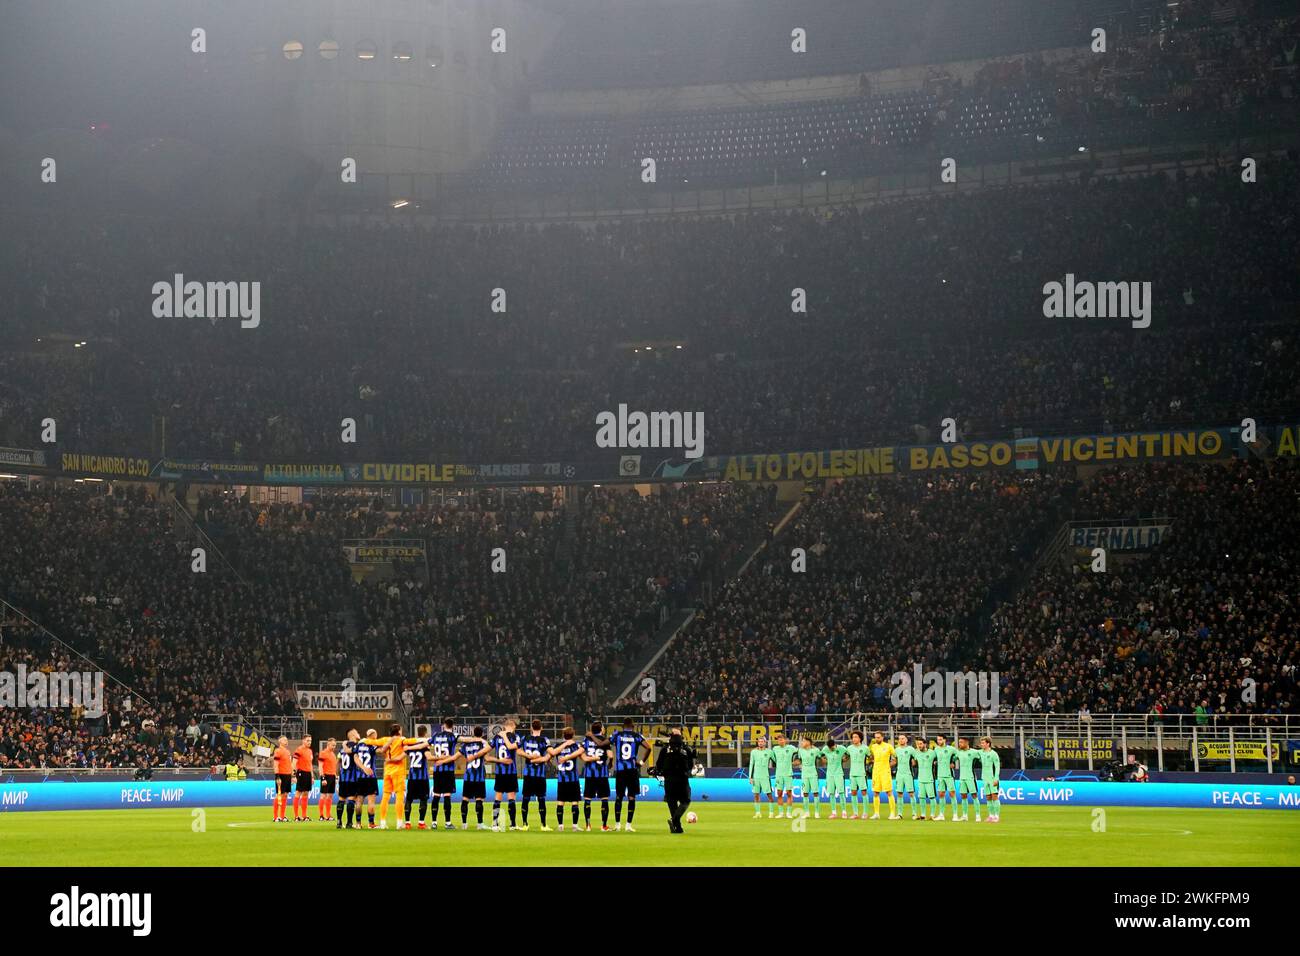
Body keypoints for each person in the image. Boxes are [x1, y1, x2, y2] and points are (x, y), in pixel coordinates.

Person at [608, 718, 650, 832]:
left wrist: (610, 760)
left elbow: (607, 743)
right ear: (632, 725)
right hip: (632, 770)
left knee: (619, 797)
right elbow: (649, 747)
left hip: (620, 770)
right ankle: (628, 825)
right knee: (632, 797)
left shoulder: (617, 734)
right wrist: (641, 762)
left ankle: (617, 825)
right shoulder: (636, 736)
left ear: (623, 725)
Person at [655, 731, 695, 833]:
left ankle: (678, 828)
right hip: (682, 779)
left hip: (668, 780)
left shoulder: (665, 749)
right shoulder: (686, 749)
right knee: (686, 801)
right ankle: (675, 820)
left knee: (672, 803)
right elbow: (690, 765)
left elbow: (659, 764)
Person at [748, 736, 775, 818]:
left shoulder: (769, 752)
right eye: (759, 741)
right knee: (756, 795)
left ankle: (771, 813)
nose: (760, 743)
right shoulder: (753, 752)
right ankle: (758, 813)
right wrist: (750, 777)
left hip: (765, 776)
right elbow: (751, 764)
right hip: (756, 777)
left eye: (762, 741)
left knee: (769, 795)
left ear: (765, 742)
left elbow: (776, 761)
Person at [271, 736, 292, 823]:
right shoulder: (278, 751)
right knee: (279, 795)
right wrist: (277, 776)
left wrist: (292, 775)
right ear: (279, 741)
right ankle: (275, 817)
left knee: (285, 795)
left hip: (288, 775)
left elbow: (289, 764)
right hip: (281, 775)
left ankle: (282, 816)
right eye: (284, 740)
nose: (286, 741)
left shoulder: (287, 752)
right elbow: (275, 764)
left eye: (287, 739)